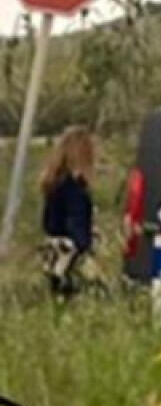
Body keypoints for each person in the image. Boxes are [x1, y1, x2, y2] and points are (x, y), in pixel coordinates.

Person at [39, 126, 98, 298]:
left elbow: (47, 222)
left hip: (54, 255)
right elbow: (76, 224)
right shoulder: (74, 189)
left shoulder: (54, 184)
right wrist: (85, 244)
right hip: (70, 257)